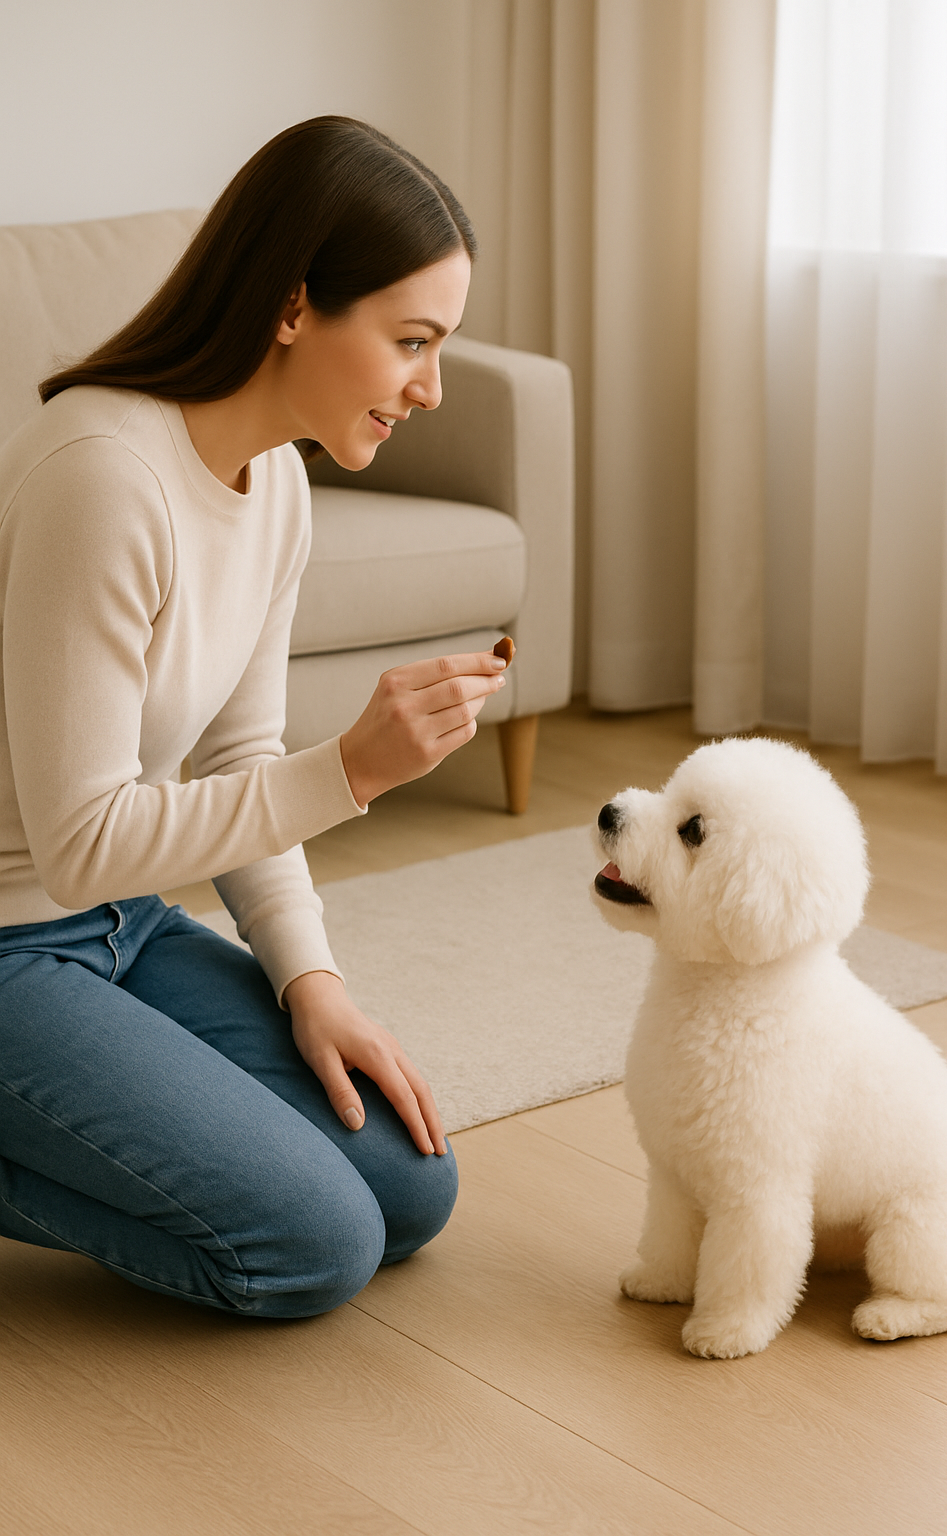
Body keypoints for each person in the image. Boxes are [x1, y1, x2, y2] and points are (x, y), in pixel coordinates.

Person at [0, 117, 506, 1318]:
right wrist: (353, 771)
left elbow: (237, 756)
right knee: (312, 1244)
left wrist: (311, 980)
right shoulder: (104, 474)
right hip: (14, 937)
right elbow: (78, 844)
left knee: (408, 1190)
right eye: (411, 342)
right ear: (292, 308)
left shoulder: (275, 475)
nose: (431, 388)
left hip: (122, 923)